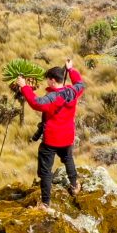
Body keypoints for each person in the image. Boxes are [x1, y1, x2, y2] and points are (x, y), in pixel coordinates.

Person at [15, 59, 85, 209]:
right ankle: (74, 185)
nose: (47, 82)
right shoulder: (73, 91)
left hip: (51, 139)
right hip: (67, 136)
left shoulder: (53, 97)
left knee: (46, 171)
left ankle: (45, 203)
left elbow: (36, 103)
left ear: (53, 80)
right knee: (68, 159)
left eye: (48, 79)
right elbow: (80, 83)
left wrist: (24, 87)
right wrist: (71, 70)